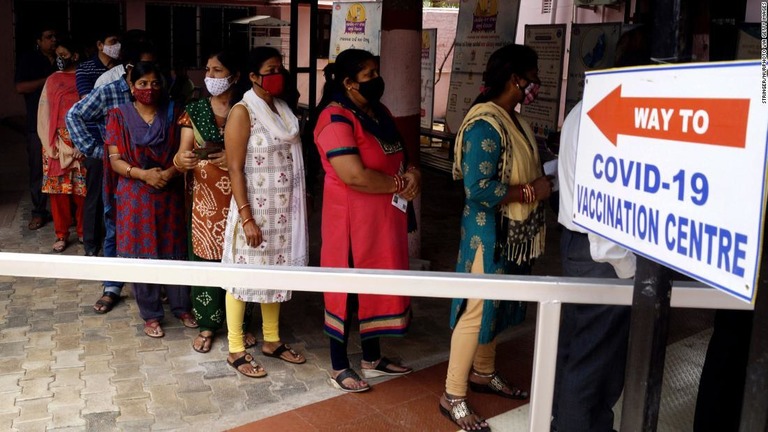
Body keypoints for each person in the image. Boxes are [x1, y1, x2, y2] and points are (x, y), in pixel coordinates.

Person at [440, 44, 553, 431]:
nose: (536, 82)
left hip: (511, 231)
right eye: (532, 75)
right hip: (486, 234)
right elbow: (477, 188)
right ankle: (452, 394)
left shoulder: (513, 119)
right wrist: (530, 192)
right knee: (475, 310)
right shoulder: (485, 124)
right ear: (514, 79)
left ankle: (483, 372)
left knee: (496, 304)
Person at [550, 28, 647, 432]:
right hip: (601, 253)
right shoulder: (618, 113)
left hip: (580, 246)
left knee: (584, 353)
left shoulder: (588, 104)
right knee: (590, 365)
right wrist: (628, 269)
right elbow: (604, 206)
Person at [313, 48, 420, 393]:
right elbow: (354, 175)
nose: (377, 80)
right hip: (350, 223)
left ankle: (372, 358)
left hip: (383, 219)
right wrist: (399, 185)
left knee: (376, 283)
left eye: (377, 72)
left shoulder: (379, 112)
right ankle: (338, 364)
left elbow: (401, 154)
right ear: (348, 83)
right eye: (369, 75)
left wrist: (413, 174)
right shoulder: (334, 119)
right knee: (347, 290)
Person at [221, 46, 308, 378]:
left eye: (281, 68)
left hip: (282, 213)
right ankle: (235, 349)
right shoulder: (243, 112)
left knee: (274, 273)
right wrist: (246, 217)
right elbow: (234, 168)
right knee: (242, 277)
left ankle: (271, 340)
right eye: (271, 69)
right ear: (254, 76)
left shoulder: (284, 110)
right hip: (254, 210)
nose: (279, 74)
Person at [103, 61, 196, 338]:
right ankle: (151, 315)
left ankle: (182, 307)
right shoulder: (117, 115)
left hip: (169, 188)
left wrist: (168, 173)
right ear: (131, 87)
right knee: (141, 253)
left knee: (174, 249)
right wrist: (143, 175)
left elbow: (185, 150)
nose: (149, 88)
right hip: (135, 193)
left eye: (155, 83)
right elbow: (115, 159)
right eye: (142, 83)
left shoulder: (175, 112)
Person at [173, 49, 256, 354]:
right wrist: (181, 159)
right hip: (206, 203)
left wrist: (232, 159)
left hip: (241, 200)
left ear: (234, 76)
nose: (210, 76)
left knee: (239, 259)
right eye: (208, 70)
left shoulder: (248, 109)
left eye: (218, 71)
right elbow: (181, 156)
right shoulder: (193, 110)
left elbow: (261, 153)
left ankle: (241, 325)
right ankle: (208, 324)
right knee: (207, 259)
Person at [65, 41, 157, 314]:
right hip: (119, 172)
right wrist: (96, 151)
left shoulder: (159, 92)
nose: (150, 80)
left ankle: (156, 283)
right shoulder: (108, 92)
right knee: (114, 223)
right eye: (144, 69)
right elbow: (74, 115)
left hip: (152, 174)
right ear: (128, 70)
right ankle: (112, 286)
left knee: (151, 226)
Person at [36, 37, 87, 253]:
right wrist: (50, 145)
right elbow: (44, 114)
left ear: (75, 56)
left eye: (63, 55)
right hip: (55, 143)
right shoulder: (52, 80)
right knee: (58, 193)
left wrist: (83, 144)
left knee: (82, 191)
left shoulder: (86, 79)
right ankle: (61, 233)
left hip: (81, 142)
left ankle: (85, 232)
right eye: (57, 56)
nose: (60, 59)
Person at [15, 24, 58, 231]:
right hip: (36, 124)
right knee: (37, 170)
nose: (53, 40)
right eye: (48, 36)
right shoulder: (29, 60)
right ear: (38, 41)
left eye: (55, 37)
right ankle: (39, 212)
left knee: (63, 169)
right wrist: (49, 80)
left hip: (61, 124)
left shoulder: (62, 59)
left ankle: (65, 215)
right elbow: (20, 87)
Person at [75, 29, 120, 98]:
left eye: (119, 42)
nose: (118, 45)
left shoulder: (124, 67)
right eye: (113, 42)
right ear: (100, 45)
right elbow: (87, 100)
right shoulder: (84, 69)